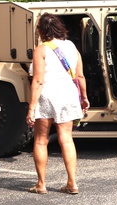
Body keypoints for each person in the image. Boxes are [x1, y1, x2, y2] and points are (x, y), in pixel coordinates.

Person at [26, 13, 89, 195]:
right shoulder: (71, 46)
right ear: (60, 28)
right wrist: (84, 97)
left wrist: (31, 108)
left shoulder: (41, 50)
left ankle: (41, 184)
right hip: (68, 94)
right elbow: (80, 76)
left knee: (41, 140)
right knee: (66, 138)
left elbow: (38, 81)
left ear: (40, 31)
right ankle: (72, 183)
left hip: (47, 96)